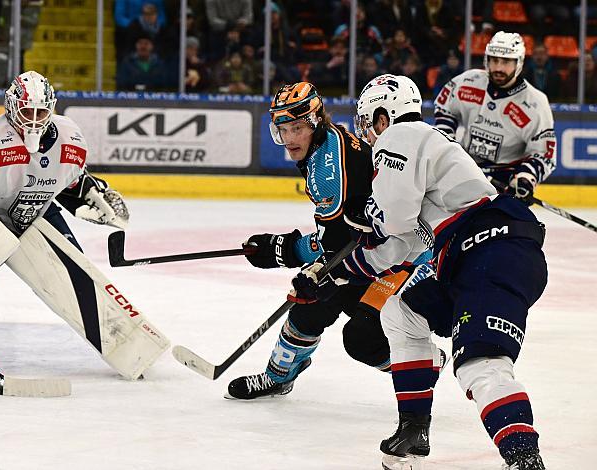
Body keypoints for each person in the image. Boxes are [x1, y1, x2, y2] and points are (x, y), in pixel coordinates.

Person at [0, 71, 169, 381]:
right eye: (28, 111)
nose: (35, 120)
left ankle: (131, 346)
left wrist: (89, 194)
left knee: (74, 275)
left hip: (37, 215)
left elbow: (68, 181)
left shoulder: (70, 136)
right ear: (12, 108)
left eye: (42, 112)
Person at [335, 73, 546, 469]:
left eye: (369, 122)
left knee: (480, 362)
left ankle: (523, 457)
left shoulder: (401, 137)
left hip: (491, 249)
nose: (368, 134)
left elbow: (394, 220)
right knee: (401, 313)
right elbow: (405, 243)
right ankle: (414, 428)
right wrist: (341, 271)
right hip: (472, 254)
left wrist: (369, 216)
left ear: (384, 116)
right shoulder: (424, 148)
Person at [226, 82, 434, 400]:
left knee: (363, 337)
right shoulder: (324, 146)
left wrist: (284, 249)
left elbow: (335, 239)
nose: (290, 138)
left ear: (315, 121)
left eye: (297, 127)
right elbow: (340, 237)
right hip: (367, 248)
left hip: (402, 258)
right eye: (283, 129)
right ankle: (277, 377)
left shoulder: (329, 166)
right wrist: (286, 250)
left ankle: (423, 365)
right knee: (309, 306)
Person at [434, 31, 556, 204]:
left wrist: (526, 177)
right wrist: (447, 145)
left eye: (506, 62)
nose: (498, 68)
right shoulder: (468, 82)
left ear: (519, 63)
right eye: (494, 60)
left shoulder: (535, 103)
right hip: (465, 169)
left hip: (505, 178)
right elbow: (445, 108)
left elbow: (544, 154)